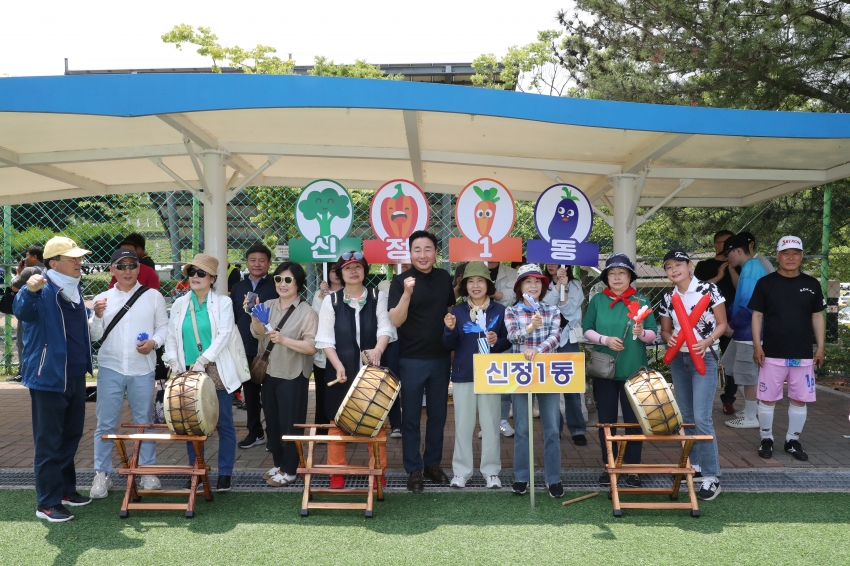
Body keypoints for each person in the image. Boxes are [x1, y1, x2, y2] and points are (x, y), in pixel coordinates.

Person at [14, 236, 95, 522]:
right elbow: (20, 310)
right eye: (72, 258)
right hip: (48, 377)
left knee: (71, 435)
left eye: (79, 257)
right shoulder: (41, 287)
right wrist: (28, 289)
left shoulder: (73, 289)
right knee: (48, 440)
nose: (78, 262)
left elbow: (75, 324)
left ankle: (65, 490)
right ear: (53, 264)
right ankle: (46, 503)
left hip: (73, 375)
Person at [88, 248, 169, 499]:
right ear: (111, 269)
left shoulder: (153, 296)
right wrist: (98, 316)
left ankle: (146, 471)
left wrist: (154, 342)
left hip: (142, 369)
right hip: (111, 367)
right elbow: (93, 336)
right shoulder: (102, 298)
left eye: (132, 265)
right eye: (121, 266)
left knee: (144, 421)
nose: (127, 271)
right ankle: (102, 473)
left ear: (139, 268)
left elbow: (164, 327)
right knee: (105, 423)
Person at [163, 253, 244, 492]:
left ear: (213, 278)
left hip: (215, 368)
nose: (195, 277)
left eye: (201, 273)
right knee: (190, 423)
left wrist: (204, 359)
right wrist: (174, 362)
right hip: (186, 370)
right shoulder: (179, 304)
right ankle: (196, 469)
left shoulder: (223, 303)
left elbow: (224, 334)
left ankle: (225, 473)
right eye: (192, 272)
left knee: (224, 422)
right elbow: (170, 337)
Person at [315, 252, 393, 488]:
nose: (353, 271)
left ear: (364, 271)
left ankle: (378, 471)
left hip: (372, 370)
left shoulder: (377, 296)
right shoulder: (332, 300)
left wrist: (378, 350)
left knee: (375, 421)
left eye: (358, 267)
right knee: (337, 422)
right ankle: (336, 473)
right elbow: (325, 339)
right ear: (340, 273)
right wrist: (338, 365)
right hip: (341, 370)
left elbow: (385, 327)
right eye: (348, 268)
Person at [388, 230, 456, 493]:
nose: (423, 255)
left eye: (428, 249)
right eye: (417, 249)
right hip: (411, 359)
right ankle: (413, 469)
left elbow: (448, 310)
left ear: (435, 252)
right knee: (412, 418)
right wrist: (407, 293)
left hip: (440, 358)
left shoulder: (443, 277)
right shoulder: (400, 281)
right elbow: (396, 320)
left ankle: (432, 464)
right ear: (410, 253)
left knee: (438, 415)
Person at [582, 253, 658, 487]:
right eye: (612, 273)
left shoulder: (642, 300)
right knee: (606, 420)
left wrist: (641, 333)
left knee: (635, 421)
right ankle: (610, 466)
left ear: (630, 277)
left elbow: (653, 333)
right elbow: (587, 330)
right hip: (605, 370)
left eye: (621, 273)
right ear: (606, 278)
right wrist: (605, 340)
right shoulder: (597, 301)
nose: (616, 277)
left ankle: (633, 467)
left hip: (634, 370)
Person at [658, 249, 727, 501]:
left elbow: (722, 324)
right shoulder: (668, 296)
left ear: (690, 265)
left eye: (678, 264)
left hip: (705, 357)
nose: (674, 270)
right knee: (685, 416)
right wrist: (670, 338)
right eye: (668, 267)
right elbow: (665, 331)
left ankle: (712, 476)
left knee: (701, 417)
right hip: (679, 358)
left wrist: (707, 341)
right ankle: (694, 467)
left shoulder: (709, 290)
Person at [750, 236, 825, 462]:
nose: (790, 257)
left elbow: (817, 316)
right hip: (771, 353)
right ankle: (766, 438)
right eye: (785, 253)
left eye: (795, 253)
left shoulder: (812, 284)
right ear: (777, 256)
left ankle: (792, 440)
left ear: (802, 256)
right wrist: (757, 345)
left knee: (799, 399)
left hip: (802, 354)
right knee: (767, 399)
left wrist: (820, 347)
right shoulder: (765, 283)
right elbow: (757, 315)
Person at [443, 261, 510, 489]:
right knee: (463, 424)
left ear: (488, 284)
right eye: (470, 281)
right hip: (464, 373)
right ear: (464, 286)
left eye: (480, 280)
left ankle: (491, 472)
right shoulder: (457, 312)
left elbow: (507, 341)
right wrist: (449, 329)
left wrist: (496, 341)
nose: (475, 285)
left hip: (491, 374)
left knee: (491, 424)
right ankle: (461, 472)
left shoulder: (500, 311)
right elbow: (448, 344)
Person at [250, 262, 318, 487]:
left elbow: (311, 347)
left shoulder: (307, 312)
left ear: (298, 283)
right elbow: (258, 334)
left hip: (293, 373)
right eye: (278, 279)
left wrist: (284, 340)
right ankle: (279, 464)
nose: (282, 284)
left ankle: (290, 470)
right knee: (273, 422)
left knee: (291, 424)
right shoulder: (267, 304)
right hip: (269, 372)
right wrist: (253, 315)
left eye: (288, 280)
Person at [505, 264, 564, 498]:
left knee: (551, 427)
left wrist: (537, 350)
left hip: (547, 372)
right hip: (521, 373)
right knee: (521, 428)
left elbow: (555, 337)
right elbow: (512, 337)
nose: (533, 285)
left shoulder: (552, 310)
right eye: (528, 282)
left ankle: (554, 479)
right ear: (520, 287)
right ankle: (521, 477)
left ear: (543, 286)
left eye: (537, 282)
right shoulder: (511, 311)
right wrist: (531, 327)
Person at [230, 243, 277, 449]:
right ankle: (255, 433)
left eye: (262, 260)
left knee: (270, 394)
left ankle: (273, 434)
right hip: (244, 345)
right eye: (253, 260)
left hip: (269, 347)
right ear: (247, 262)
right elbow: (233, 316)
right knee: (249, 393)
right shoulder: (239, 287)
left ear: (269, 263)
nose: (257, 264)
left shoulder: (276, 285)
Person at [721, 235, 768, 429]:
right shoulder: (751, 267)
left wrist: (732, 324)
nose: (727, 258)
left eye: (728, 253)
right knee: (729, 366)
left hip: (749, 332)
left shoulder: (750, 269)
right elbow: (741, 301)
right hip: (744, 330)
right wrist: (726, 320)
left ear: (738, 251)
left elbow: (749, 306)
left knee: (748, 374)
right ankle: (753, 408)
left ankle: (750, 416)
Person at [693, 230, 738, 414]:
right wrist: (719, 276)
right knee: (704, 359)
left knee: (731, 362)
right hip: (704, 321)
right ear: (715, 244)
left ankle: (729, 399)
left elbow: (742, 289)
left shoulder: (738, 265)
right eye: (724, 242)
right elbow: (695, 290)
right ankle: (702, 400)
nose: (727, 246)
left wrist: (733, 270)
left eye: (731, 242)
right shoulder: (704, 265)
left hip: (731, 320)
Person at [542, 263, 587, 446]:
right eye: (549, 261)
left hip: (567, 339)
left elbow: (568, 310)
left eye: (556, 262)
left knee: (571, 387)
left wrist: (565, 285)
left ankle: (577, 429)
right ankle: (555, 428)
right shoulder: (542, 284)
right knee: (550, 388)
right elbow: (545, 306)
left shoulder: (575, 285)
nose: (552, 265)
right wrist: (558, 286)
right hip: (546, 341)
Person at [1, 245, 45, 382]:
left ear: (34, 257)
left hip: (28, 310)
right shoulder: (49, 269)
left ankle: (23, 372)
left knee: (22, 342)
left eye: (26, 256)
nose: (25, 259)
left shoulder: (30, 270)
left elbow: (15, 286)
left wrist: (19, 273)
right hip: (45, 311)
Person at [378, 263, 410, 438]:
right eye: (402, 266)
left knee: (409, 381)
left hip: (412, 338)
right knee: (392, 380)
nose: (405, 269)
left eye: (408, 266)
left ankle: (406, 423)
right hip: (391, 338)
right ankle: (395, 423)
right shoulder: (384, 285)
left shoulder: (419, 284)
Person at [311, 263, 343, 433]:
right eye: (332, 270)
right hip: (323, 354)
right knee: (323, 392)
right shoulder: (320, 295)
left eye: (339, 269)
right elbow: (316, 318)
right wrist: (322, 300)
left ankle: (345, 428)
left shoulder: (351, 293)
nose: (336, 273)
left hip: (345, 350)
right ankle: (323, 429)